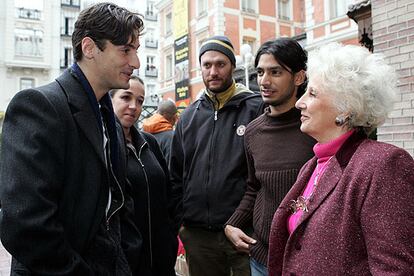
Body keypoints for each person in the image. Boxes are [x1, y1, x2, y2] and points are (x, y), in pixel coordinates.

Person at [0, 3, 144, 275]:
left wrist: (126, 257)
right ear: (89, 48)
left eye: (136, 51)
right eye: (126, 49)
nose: (135, 63)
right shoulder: (38, 106)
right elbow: (26, 225)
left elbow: (119, 201)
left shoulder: (108, 117)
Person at [268, 43, 414, 275]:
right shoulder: (312, 165)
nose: (299, 103)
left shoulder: (383, 165)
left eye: (312, 93)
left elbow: (394, 269)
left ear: (345, 108)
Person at [170, 35, 264, 276]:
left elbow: (263, 172)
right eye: (207, 65)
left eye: (220, 64)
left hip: (243, 232)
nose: (213, 71)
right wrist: (183, 222)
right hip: (198, 235)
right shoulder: (188, 116)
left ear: (232, 66)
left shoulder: (254, 108)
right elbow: (175, 174)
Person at [224, 38, 315, 276]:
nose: (264, 81)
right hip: (262, 259)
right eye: (260, 72)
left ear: (298, 77)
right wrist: (232, 224)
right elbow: (254, 188)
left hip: (308, 258)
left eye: (275, 72)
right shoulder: (252, 132)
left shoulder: (316, 127)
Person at [110, 76, 178, 276]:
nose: (133, 106)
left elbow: (168, 189)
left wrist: (170, 233)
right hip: (128, 262)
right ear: (110, 99)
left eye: (140, 101)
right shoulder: (104, 145)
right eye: (126, 97)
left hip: (161, 257)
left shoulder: (149, 142)